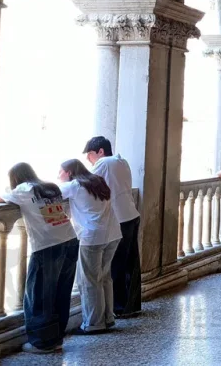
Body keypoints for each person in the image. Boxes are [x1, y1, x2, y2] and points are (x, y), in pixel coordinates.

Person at [0, 163, 78, 353]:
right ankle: (57, 338)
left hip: (48, 245)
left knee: (40, 294)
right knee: (61, 292)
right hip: (70, 240)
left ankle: (43, 342)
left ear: (15, 178)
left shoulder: (23, 189)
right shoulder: (49, 187)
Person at [58, 159, 122, 334]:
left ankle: (93, 323)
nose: (58, 175)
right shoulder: (98, 181)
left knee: (89, 281)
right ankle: (108, 318)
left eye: (60, 172)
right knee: (105, 277)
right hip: (113, 234)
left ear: (69, 172)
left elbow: (50, 194)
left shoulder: (74, 186)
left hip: (92, 237)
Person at [82, 136, 141, 318]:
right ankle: (132, 305)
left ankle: (119, 307)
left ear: (100, 151)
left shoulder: (104, 163)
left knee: (116, 264)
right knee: (131, 263)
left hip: (119, 218)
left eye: (89, 154)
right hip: (131, 214)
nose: (88, 160)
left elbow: (85, 184)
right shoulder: (121, 161)